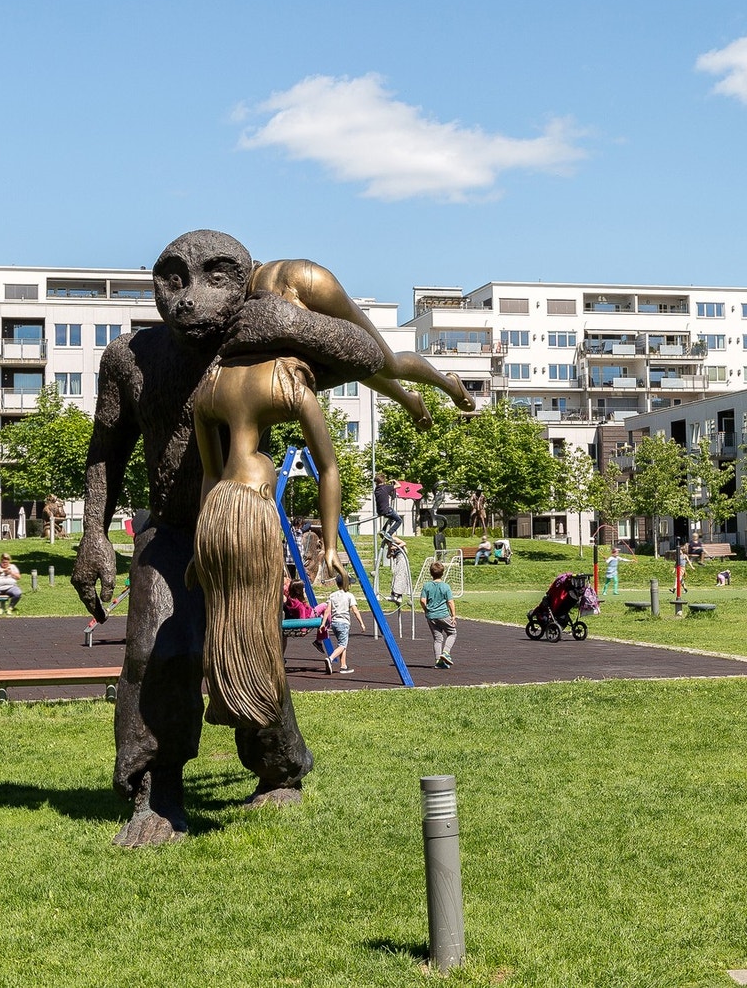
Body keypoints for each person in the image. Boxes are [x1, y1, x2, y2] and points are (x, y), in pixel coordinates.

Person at [72, 230, 459, 847]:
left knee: (254, 649)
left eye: (213, 277)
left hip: (242, 526)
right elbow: (105, 448)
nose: (188, 298)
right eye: (174, 280)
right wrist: (93, 533)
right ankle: (157, 792)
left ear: (244, 283)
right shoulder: (128, 358)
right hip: (170, 531)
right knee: (152, 650)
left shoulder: (260, 346)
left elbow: (365, 354)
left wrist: (286, 320)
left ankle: (279, 767)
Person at [323, 571, 364, 675]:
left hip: (334, 624)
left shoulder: (332, 595)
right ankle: (330, 659)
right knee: (342, 645)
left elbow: (327, 611)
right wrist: (361, 623)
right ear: (346, 584)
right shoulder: (349, 596)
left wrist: (323, 623)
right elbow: (355, 610)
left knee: (342, 644)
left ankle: (343, 666)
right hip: (344, 623)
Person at [420, 560, 457, 668]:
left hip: (431, 616)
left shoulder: (426, 586)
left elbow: (422, 600)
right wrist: (453, 615)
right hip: (443, 615)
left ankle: (438, 661)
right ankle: (446, 652)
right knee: (452, 633)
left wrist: (426, 610)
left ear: (431, 573)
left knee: (438, 638)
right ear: (442, 573)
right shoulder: (445, 586)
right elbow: (450, 602)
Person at [374, 472, 401, 540]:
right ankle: (389, 533)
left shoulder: (376, 489)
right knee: (399, 520)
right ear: (383, 481)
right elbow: (399, 485)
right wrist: (394, 480)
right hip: (387, 510)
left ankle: (383, 530)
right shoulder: (386, 488)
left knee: (392, 518)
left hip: (380, 511)